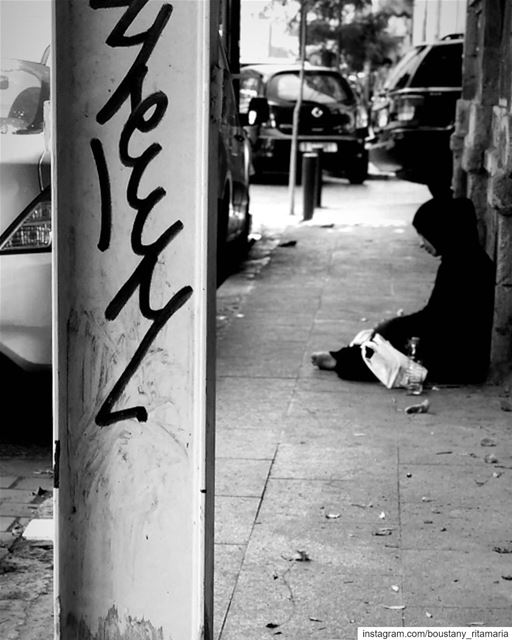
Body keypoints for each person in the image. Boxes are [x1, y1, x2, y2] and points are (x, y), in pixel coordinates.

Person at [312, 197, 495, 385]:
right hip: (456, 347)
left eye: (425, 235)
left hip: (460, 362)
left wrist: (393, 327)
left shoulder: (463, 268)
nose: (421, 243)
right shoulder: (462, 260)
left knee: (391, 359)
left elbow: (435, 320)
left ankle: (343, 360)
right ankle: (345, 356)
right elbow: (439, 317)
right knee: (381, 341)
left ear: (442, 232)